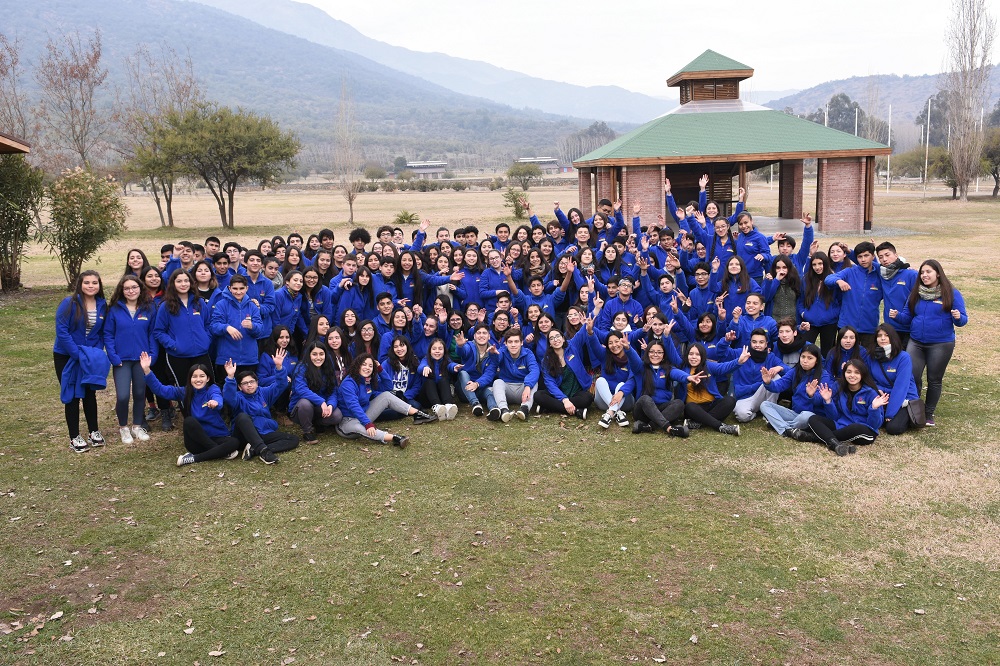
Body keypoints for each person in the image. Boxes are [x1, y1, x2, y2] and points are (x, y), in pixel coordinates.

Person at [894, 259, 968, 426]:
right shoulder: (916, 293)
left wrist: (958, 317)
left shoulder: (951, 293)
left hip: (941, 344)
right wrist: (897, 316)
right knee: (913, 375)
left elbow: (962, 320)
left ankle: (928, 413)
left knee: (934, 378)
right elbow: (907, 317)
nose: (924, 275)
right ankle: (914, 409)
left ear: (938, 274)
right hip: (916, 341)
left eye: (928, 272)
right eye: (922, 272)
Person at [140, 352, 239, 466]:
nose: (198, 379)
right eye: (194, 376)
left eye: (202, 376)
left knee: (234, 442)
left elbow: (218, 398)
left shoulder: (212, 389)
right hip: (196, 441)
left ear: (208, 378)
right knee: (189, 421)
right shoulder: (184, 391)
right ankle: (219, 452)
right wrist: (147, 370)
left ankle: (193, 458)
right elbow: (161, 390)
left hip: (217, 436)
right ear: (190, 379)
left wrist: (215, 402)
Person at [54, 270, 110, 452]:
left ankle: (93, 431)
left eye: (95, 283)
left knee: (89, 392)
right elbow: (62, 331)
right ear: (80, 284)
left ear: (99, 285)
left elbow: (102, 333)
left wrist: (95, 353)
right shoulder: (69, 303)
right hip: (67, 355)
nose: (91, 286)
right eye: (87, 282)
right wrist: (77, 354)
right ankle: (74, 437)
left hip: (89, 356)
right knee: (71, 395)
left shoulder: (102, 305)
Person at [153, 269, 213, 430]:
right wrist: (174, 345)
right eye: (179, 281)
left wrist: (206, 340)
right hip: (178, 356)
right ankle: (191, 423)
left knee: (206, 386)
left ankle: (208, 420)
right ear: (173, 284)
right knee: (185, 389)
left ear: (191, 283)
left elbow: (208, 324)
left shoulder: (199, 303)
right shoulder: (166, 306)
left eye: (186, 281)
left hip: (201, 353)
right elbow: (159, 331)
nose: (183, 284)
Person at [337, 353, 433, 447]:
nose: (367, 368)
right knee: (358, 427)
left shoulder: (367, 381)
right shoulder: (349, 383)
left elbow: (388, 387)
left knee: (386, 395)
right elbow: (353, 406)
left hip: (363, 415)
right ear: (357, 365)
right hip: (348, 422)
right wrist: (367, 423)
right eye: (364, 364)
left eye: (371, 366)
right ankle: (395, 438)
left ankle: (417, 414)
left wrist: (380, 369)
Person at [104, 275, 156, 445]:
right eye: (127, 288)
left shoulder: (148, 308)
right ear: (122, 290)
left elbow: (152, 334)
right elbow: (108, 335)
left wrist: (152, 356)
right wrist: (113, 356)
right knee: (124, 395)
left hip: (142, 360)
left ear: (140, 288)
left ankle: (137, 426)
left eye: (134, 287)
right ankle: (123, 428)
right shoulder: (114, 310)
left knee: (140, 393)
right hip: (122, 360)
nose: (131, 291)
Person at [221, 355, 299, 464]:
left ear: (257, 383)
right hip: (244, 435)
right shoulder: (238, 397)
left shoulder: (264, 392)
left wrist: (279, 367)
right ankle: (264, 451)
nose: (249, 385)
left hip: (263, 432)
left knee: (293, 439)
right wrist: (230, 377)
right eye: (245, 383)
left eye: (252, 382)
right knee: (242, 417)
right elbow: (229, 397)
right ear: (239, 387)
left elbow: (281, 385)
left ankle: (254, 449)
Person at [807, 359, 890, 456]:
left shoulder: (870, 393)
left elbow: (874, 425)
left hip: (864, 431)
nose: (852, 375)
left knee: (855, 428)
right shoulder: (838, 386)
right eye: (849, 372)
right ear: (844, 373)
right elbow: (834, 418)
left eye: (857, 372)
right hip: (841, 425)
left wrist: (874, 408)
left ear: (862, 375)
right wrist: (828, 401)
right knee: (813, 419)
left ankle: (813, 437)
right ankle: (835, 445)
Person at [759, 343, 828, 441]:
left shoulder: (824, 376)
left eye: (810, 358)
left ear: (816, 361)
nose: (805, 361)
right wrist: (768, 382)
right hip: (795, 414)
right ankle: (788, 430)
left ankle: (780, 426)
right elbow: (779, 386)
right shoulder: (795, 371)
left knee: (806, 416)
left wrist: (811, 395)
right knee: (764, 405)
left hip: (813, 417)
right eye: (803, 357)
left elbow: (822, 401)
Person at [676, 342, 745, 436]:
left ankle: (699, 423)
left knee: (730, 400)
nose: (693, 357)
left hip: (711, 405)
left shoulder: (708, 365)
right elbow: (672, 354)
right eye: (691, 354)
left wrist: (739, 361)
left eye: (697, 354)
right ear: (687, 355)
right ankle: (720, 426)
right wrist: (667, 336)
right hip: (694, 409)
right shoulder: (682, 367)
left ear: (702, 356)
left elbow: (724, 367)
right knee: (690, 406)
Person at [825, 241, 883, 348]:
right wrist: (839, 281)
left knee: (866, 360)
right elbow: (828, 279)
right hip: (846, 325)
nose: (863, 259)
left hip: (869, 327)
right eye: (860, 256)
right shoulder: (849, 272)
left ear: (873, 256)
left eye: (866, 256)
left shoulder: (879, 273)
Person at [209, 275, 265, 383]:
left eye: (241, 288)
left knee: (248, 392)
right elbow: (213, 326)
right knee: (227, 392)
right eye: (235, 288)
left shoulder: (252, 306)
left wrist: (252, 326)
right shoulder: (221, 305)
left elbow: (260, 330)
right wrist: (227, 327)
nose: (238, 292)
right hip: (227, 360)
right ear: (229, 288)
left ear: (246, 288)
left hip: (249, 360)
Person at [630, 340, 690, 438]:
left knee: (679, 403)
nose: (655, 355)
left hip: (662, 409)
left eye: (659, 352)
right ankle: (669, 428)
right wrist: (628, 349)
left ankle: (649, 426)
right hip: (643, 411)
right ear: (647, 352)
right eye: (652, 352)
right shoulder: (641, 367)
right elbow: (633, 359)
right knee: (645, 399)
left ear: (664, 354)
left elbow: (677, 374)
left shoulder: (668, 369)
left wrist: (688, 377)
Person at [867, 323, 919, 435]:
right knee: (874, 422)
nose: (883, 338)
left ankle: (903, 415)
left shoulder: (903, 357)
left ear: (892, 337)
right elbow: (869, 380)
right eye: (879, 335)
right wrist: (877, 390)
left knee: (893, 428)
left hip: (904, 398)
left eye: (886, 335)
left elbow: (901, 387)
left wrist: (890, 413)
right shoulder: (871, 357)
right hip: (882, 396)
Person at [289, 342, 344, 445]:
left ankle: (318, 423)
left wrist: (330, 405)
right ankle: (307, 431)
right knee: (305, 403)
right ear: (309, 355)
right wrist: (322, 402)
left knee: (337, 415)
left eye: (321, 354)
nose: (318, 357)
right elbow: (301, 389)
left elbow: (333, 390)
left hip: (319, 408)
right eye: (314, 354)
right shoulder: (301, 367)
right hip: (300, 409)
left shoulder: (328, 367)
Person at [590, 330, 643, 429]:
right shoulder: (604, 356)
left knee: (621, 384)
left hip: (625, 401)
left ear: (622, 341)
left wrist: (621, 392)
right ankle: (617, 412)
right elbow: (594, 344)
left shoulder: (631, 358)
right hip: (604, 401)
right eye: (610, 343)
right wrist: (590, 332)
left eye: (617, 341)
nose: (614, 345)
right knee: (600, 380)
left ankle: (609, 414)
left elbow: (632, 379)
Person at [491, 328, 540, 423]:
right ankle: (504, 410)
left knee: (534, 382)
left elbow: (534, 370)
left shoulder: (528, 353)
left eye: (516, 341)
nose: (513, 345)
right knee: (497, 382)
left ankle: (524, 409)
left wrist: (527, 386)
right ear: (505, 343)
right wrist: (493, 355)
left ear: (521, 343)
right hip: (507, 389)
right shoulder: (501, 351)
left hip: (523, 391)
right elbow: (495, 361)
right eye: (510, 342)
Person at [454, 325, 499, 416]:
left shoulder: (492, 352)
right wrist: (460, 346)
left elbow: (489, 374)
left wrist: (477, 384)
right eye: (478, 333)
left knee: (488, 393)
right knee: (463, 373)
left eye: (484, 333)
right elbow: (462, 352)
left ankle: (494, 409)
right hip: (464, 389)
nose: (481, 335)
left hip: (480, 387)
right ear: (474, 336)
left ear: (489, 336)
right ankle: (475, 404)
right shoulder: (469, 346)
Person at [418, 338, 460, 420]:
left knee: (444, 380)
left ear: (444, 351)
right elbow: (420, 367)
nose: (437, 351)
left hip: (441, 396)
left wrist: (455, 367)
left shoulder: (446, 360)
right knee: (429, 382)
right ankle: (437, 407)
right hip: (427, 397)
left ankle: (448, 406)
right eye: (434, 349)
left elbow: (451, 365)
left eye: (440, 349)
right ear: (430, 351)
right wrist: (425, 367)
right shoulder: (426, 359)